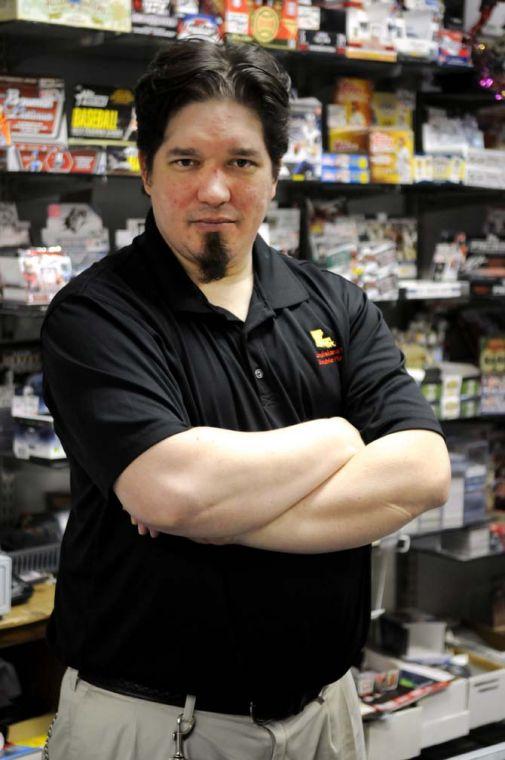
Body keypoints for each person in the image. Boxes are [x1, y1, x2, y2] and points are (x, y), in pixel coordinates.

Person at [41, 39, 450, 760]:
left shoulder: (335, 303)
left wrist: (216, 517)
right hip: (154, 723)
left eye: (240, 162)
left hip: (326, 714)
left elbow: (420, 471)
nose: (215, 190)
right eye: (185, 161)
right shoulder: (96, 315)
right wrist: (336, 438)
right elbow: (172, 490)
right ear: (144, 169)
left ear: (274, 174)